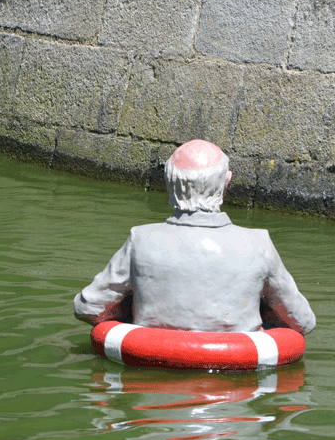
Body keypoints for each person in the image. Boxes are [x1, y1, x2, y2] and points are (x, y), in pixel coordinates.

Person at [73, 139, 316, 335]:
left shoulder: (140, 239)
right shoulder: (259, 244)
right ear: (226, 183)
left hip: (152, 376)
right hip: (236, 382)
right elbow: (303, 322)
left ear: (169, 182)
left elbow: (88, 307)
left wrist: (128, 311)